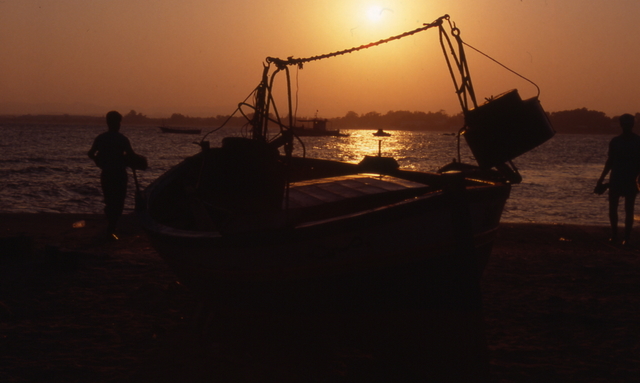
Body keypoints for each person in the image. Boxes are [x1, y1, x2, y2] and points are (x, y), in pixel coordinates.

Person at [88, 111, 137, 240]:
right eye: (118, 122)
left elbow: (91, 153)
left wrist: (98, 161)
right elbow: (131, 154)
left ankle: (111, 226)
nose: (119, 124)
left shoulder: (101, 138)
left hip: (107, 173)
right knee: (118, 201)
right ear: (115, 123)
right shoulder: (122, 139)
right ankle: (112, 227)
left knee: (110, 200)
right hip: (119, 173)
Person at [596, 113, 640, 245]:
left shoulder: (618, 141)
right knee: (624, 208)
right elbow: (610, 162)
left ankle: (620, 236)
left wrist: (601, 179)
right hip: (623, 178)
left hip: (626, 178)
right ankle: (621, 236)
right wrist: (601, 179)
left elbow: (610, 162)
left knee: (622, 208)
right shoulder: (625, 141)